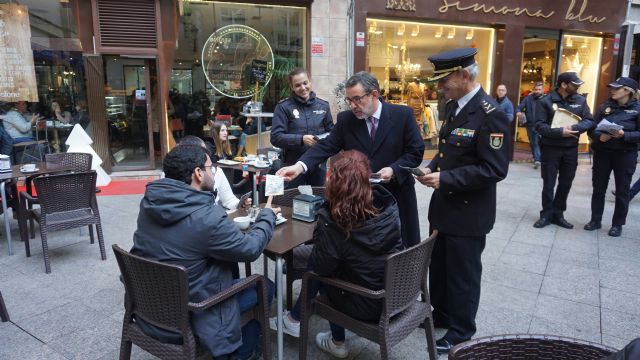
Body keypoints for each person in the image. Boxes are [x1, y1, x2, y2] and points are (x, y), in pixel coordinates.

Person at [131, 144, 278, 360]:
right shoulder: (207, 216)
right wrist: (266, 216)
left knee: (225, 266)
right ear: (198, 174)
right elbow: (250, 249)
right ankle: (242, 353)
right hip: (191, 313)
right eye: (211, 168)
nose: (213, 172)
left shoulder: (150, 202)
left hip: (149, 310)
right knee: (265, 286)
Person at [416, 48, 510, 354]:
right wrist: (430, 168)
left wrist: (446, 179)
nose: (439, 87)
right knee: (440, 267)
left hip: (469, 214)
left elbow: (494, 169)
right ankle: (441, 313)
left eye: (445, 81)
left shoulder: (492, 115)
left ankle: (461, 331)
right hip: (444, 208)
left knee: (463, 274)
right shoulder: (453, 106)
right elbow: (448, 153)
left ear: (464, 76)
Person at [270, 150, 403, 359]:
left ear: (334, 184)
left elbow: (322, 268)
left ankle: (329, 337)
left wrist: (323, 224)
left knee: (316, 271)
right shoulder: (388, 208)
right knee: (322, 262)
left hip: (367, 303)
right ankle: (297, 320)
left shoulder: (335, 224)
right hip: (396, 293)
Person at [276, 71, 424, 248]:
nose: (353, 106)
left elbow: (415, 152)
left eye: (357, 99)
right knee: (364, 256)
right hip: (360, 202)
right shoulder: (346, 120)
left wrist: (393, 170)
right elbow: (326, 146)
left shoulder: (403, 115)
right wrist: (299, 166)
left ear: (374, 94)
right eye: (349, 101)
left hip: (397, 197)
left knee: (401, 253)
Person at [533, 72, 595, 229]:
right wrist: (560, 132)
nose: (579, 87)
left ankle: (558, 214)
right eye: (575, 84)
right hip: (550, 149)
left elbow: (589, 121)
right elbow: (539, 126)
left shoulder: (580, 100)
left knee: (566, 183)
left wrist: (574, 128)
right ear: (564, 85)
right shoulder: (545, 101)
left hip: (570, 150)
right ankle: (546, 214)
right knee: (549, 184)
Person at [584, 77, 640, 237]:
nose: (612, 90)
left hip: (625, 155)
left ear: (628, 91)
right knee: (598, 189)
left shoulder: (638, 109)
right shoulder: (604, 107)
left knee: (622, 191)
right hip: (603, 153)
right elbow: (592, 128)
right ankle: (595, 220)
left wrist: (624, 135)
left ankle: (617, 224)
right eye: (612, 87)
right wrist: (598, 137)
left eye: (617, 88)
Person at [271, 68, 334, 188]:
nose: (303, 88)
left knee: (318, 202)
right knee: (290, 202)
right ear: (292, 87)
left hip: (318, 166)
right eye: (298, 85)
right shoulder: (283, 107)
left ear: (310, 82)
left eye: (305, 83)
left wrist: (323, 140)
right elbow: (275, 137)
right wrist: (301, 139)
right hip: (291, 166)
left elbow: (332, 133)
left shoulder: (324, 106)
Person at [178, 135, 251, 211]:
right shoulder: (175, 178)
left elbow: (229, 200)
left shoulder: (217, 171)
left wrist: (240, 204)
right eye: (203, 152)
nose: (207, 155)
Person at [516, 81, 545, 168]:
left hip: (542, 125)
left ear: (543, 90)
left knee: (537, 142)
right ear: (533, 90)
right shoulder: (527, 99)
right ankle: (536, 158)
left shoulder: (547, 99)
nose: (537, 91)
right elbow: (519, 108)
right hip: (530, 125)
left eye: (539, 89)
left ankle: (537, 160)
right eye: (536, 89)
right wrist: (518, 112)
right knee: (533, 142)